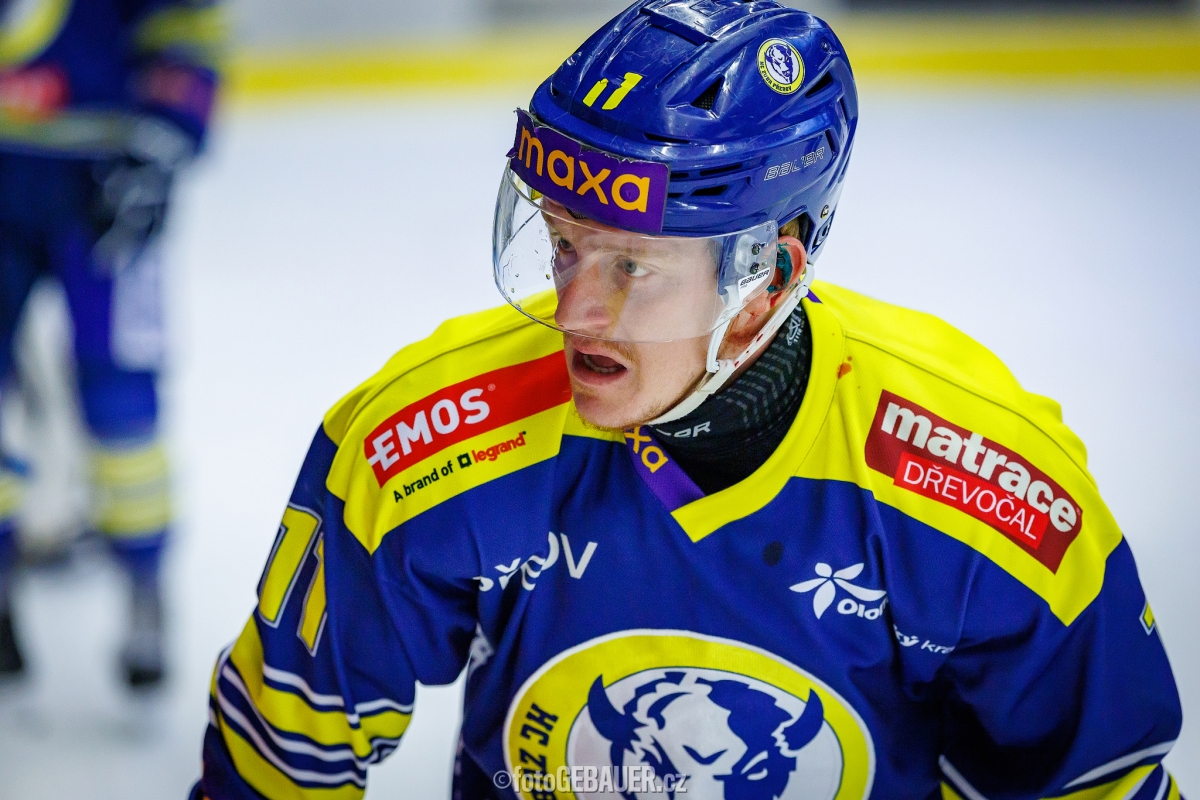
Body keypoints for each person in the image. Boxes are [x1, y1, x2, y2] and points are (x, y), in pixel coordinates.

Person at [194, 1, 1184, 797]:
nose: (572, 309)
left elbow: (1095, 781)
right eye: (563, 243)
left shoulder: (985, 485)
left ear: (766, 278)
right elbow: (279, 757)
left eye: (632, 266)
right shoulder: (424, 444)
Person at [0, 0, 224, 686]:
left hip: (106, 179)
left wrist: (162, 143)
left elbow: (187, 28)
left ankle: (143, 586)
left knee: (122, 408)